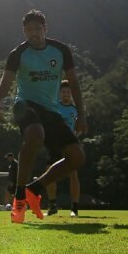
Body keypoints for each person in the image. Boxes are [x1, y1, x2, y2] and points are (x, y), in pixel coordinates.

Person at [0, 9, 88, 224]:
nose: (34, 33)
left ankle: (34, 190)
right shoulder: (18, 53)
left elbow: (73, 83)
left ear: (45, 28)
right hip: (25, 104)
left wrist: (81, 114)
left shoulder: (61, 51)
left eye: (38, 28)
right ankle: (19, 197)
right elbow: (5, 81)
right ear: (24, 31)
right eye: (29, 30)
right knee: (35, 134)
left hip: (50, 110)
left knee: (77, 156)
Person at [45, 81, 82, 217]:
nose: (66, 94)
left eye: (68, 92)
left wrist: (75, 136)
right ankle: (52, 205)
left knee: (73, 174)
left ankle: (74, 208)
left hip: (70, 143)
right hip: (55, 143)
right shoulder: (54, 107)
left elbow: (80, 127)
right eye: (63, 92)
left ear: (71, 94)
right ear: (59, 93)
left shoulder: (75, 110)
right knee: (49, 173)